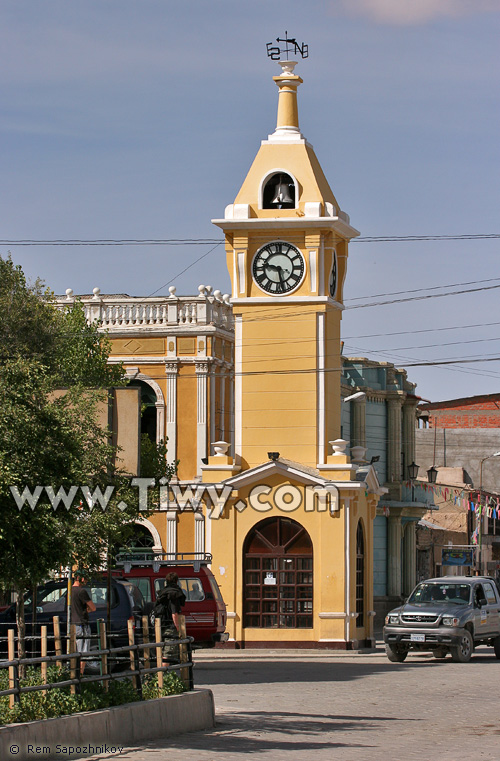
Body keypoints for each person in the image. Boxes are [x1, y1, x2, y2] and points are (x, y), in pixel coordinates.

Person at [154, 572, 186, 669]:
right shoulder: (173, 594)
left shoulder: (163, 592)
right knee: (168, 653)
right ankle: (162, 677)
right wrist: (178, 628)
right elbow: (174, 613)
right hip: (169, 626)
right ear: (176, 581)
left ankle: (160, 677)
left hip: (160, 625)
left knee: (161, 651)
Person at [71, 572, 96, 674]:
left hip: (73, 623)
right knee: (84, 651)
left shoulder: (70, 591)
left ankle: (74, 673)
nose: (86, 581)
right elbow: (93, 607)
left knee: (75, 650)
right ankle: (80, 673)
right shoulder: (82, 592)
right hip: (82, 623)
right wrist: (87, 610)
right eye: (85, 579)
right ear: (80, 578)